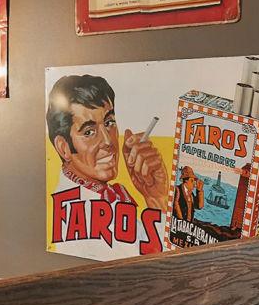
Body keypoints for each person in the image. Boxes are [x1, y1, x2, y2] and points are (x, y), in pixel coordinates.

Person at [45, 73, 172, 212]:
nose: (108, 141)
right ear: (64, 148)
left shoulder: (105, 197)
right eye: (89, 132)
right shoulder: (75, 212)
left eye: (109, 122)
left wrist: (157, 197)